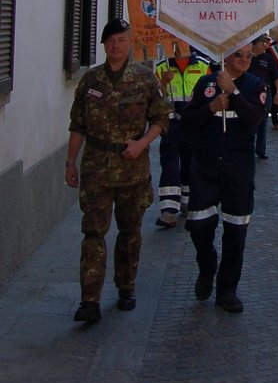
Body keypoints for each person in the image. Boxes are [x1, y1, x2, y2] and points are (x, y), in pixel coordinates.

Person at [65, 18, 171, 324]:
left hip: (132, 170)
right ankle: (90, 300)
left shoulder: (144, 79)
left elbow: (162, 119)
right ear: (103, 44)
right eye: (111, 41)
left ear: (130, 43)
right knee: (93, 233)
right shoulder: (91, 81)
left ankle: (126, 287)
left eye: (122, 40)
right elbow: (78, 125)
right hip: (96, 169)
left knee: (129, 232)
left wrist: (141, 144)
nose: (116, 46)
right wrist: (70, 162)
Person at [181, 45, 267, 313]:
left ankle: (227, 290)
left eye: (249, 56)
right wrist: (211, 108)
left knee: (236, 231)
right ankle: (207, 267)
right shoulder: (207, 82)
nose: (244, 60)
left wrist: (234, 92)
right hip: (206, 167)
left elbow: (254, 119)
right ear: (225, 56)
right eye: (238, 55)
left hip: (238, 169)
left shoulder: (256, 85)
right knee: (198, 225)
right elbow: (188, 121)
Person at [154, 49, 211, 224]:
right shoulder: (162, 67)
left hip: (193, 124)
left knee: (190, 162)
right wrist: (163, 82)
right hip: (171, 125)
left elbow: (208, 95)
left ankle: (188, 201)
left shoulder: (202, 65)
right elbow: (155, 98)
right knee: (169, 163)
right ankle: (169, 210)